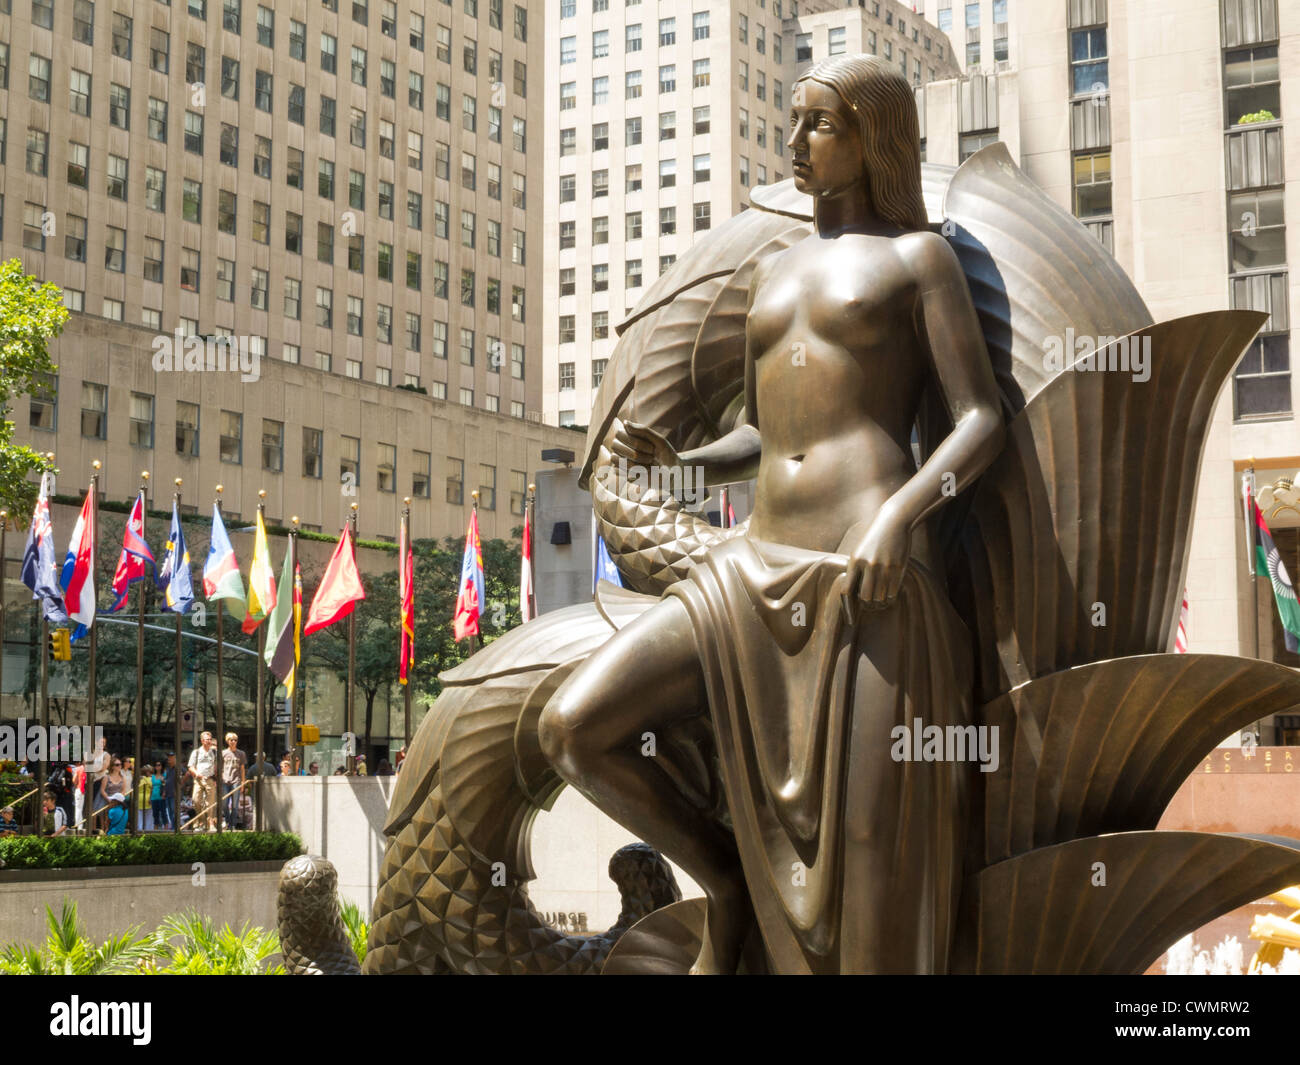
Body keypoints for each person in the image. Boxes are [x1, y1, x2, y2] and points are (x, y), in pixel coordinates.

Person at [538, 55, 1005, 975]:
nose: (795, 143)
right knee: (573, 725)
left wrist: (901, 517)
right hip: (748, 570)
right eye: (793, 122)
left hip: (864, 576)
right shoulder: (775, 271)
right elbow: (767, 426)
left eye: (818, 125)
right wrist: (692, 458)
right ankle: (730, 879)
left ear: (871, 139)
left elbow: (982, 419)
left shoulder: (921, 258)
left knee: (869, 851)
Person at [187, 732, 219, 831]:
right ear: (202, 741)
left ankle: (210, 824)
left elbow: (217, 767)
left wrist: (216, 778)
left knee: (211, 803)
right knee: (196, 800)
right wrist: (197, 774)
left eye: (210, 739)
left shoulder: (214, 752)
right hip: (198, 780)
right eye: (207, 739)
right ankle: (200, 822)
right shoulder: (196, 752)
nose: (209, 741)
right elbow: (190, 767)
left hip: (210, 779)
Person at [221, 732, 247, 830]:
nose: (233, 742)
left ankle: (232, 825)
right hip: (225, 781)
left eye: (235, 740)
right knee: (224, 804)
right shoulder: (223, 753)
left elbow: (242, 768)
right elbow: (219, 768)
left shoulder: (241, 753)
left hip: (236, 781)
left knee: (235, 805)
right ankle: (228, 822)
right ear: (227, 741)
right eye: (231, 740)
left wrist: (243, 783)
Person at [136, 766, 154, 831]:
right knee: (149, 818)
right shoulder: (151, 779)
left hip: (139, 799)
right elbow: (152, 788)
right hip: (149, 799)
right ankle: (148, 831)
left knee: (139, 818)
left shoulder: (139, 779)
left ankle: (139, 831)